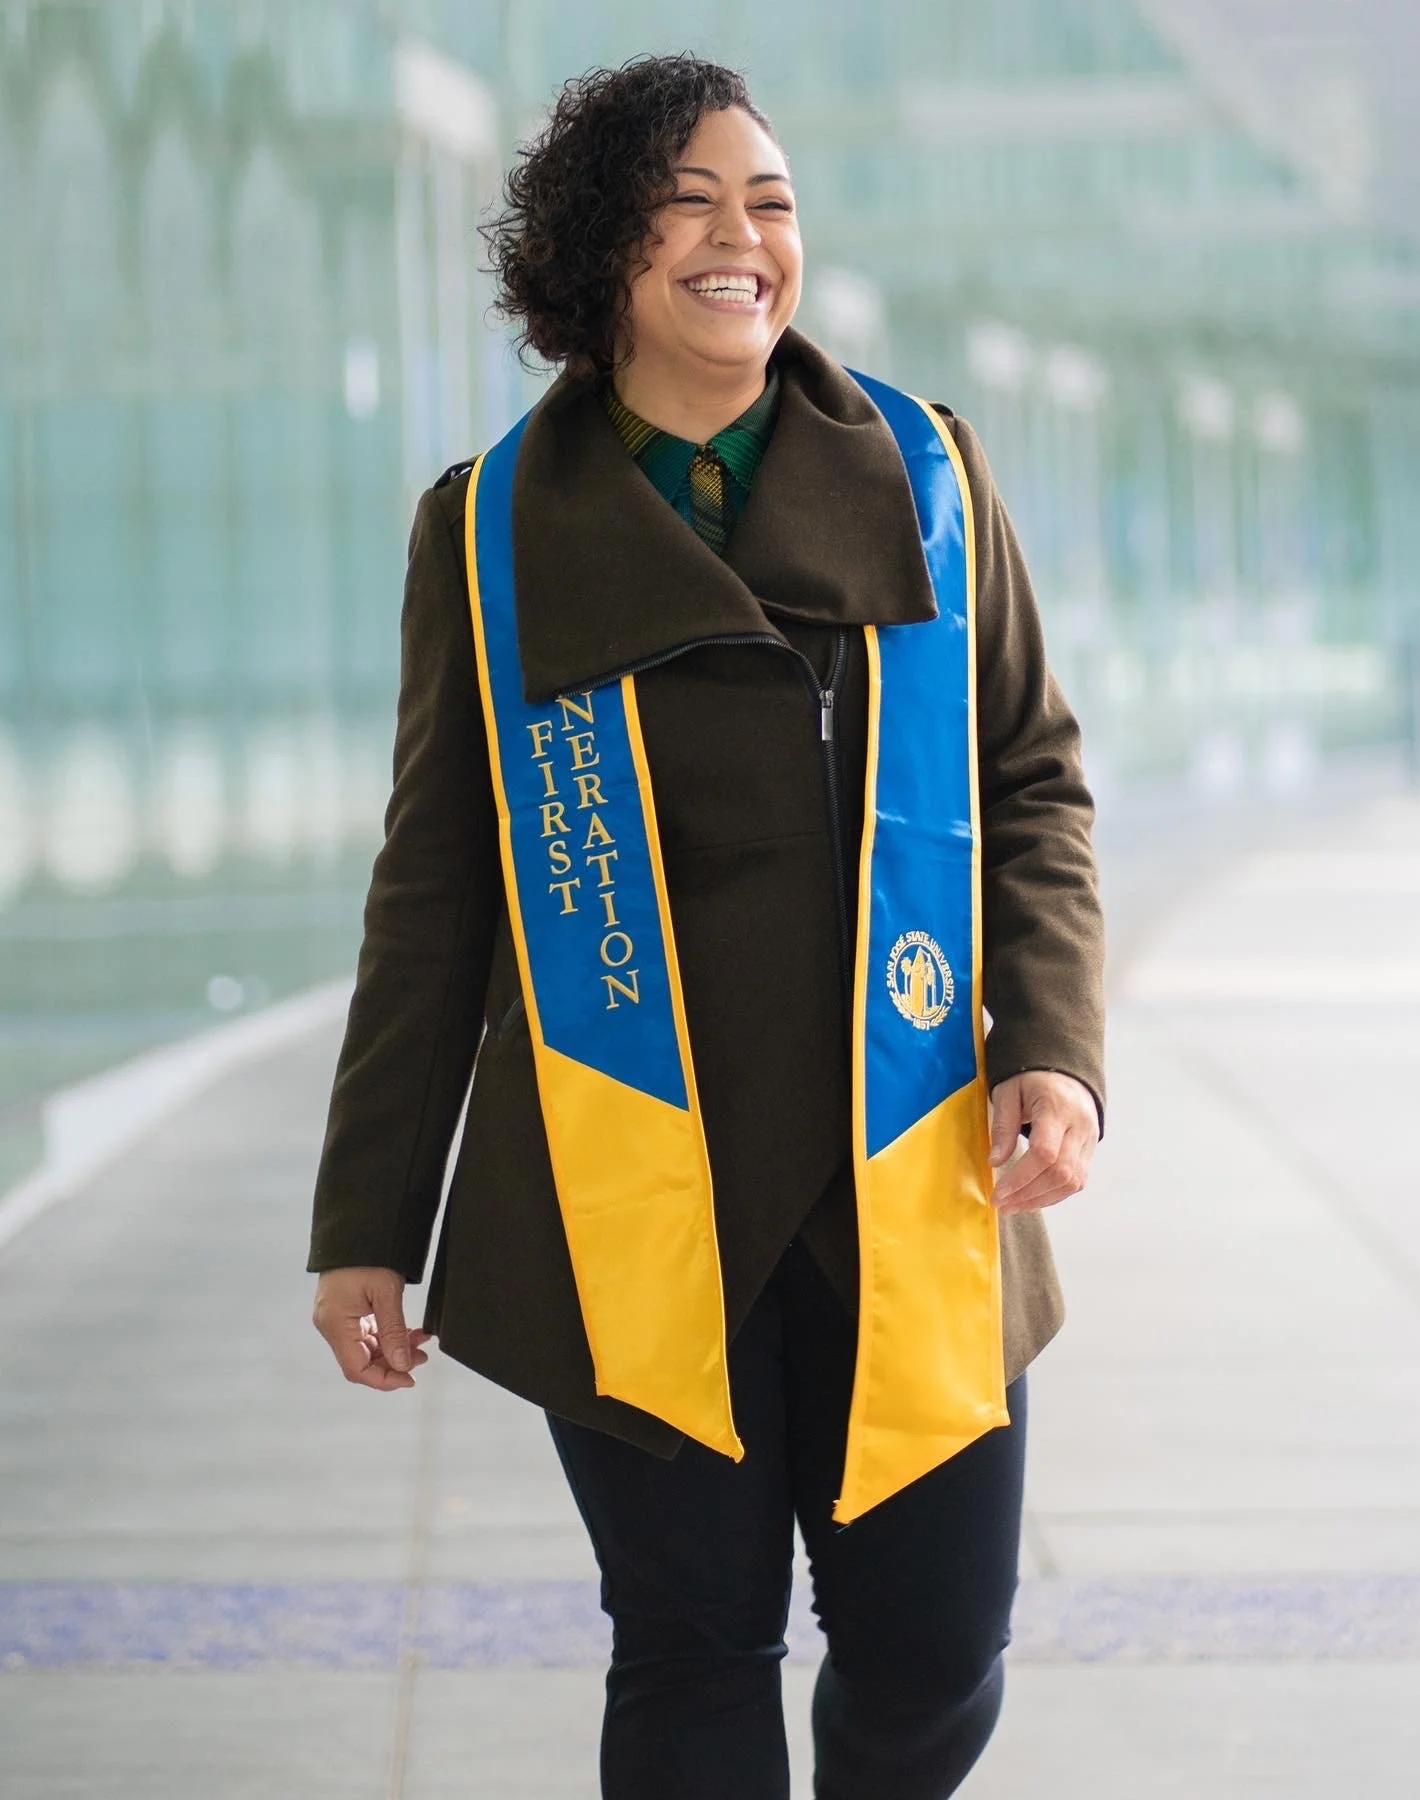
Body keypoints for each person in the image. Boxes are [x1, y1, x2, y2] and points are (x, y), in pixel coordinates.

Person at [308, 54, 1104, 1800]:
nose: (743, 239)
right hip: (627, 1188)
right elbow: (436, 890)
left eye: (772, 203)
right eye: (690, 205)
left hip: (910, 1168)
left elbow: (1032, 779)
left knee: (934, 1651)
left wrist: (1054, 1047)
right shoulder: (492, 531)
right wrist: (370, 1214)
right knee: (688, 1652)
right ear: (600, 258)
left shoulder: (931, 475)